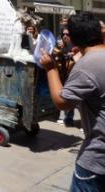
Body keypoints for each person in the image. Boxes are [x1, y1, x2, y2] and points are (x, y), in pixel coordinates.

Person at [40, 12, 105, 190]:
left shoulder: (86, 66)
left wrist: (50, 68)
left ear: (74, 41)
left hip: (97, 160)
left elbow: (62, 102)